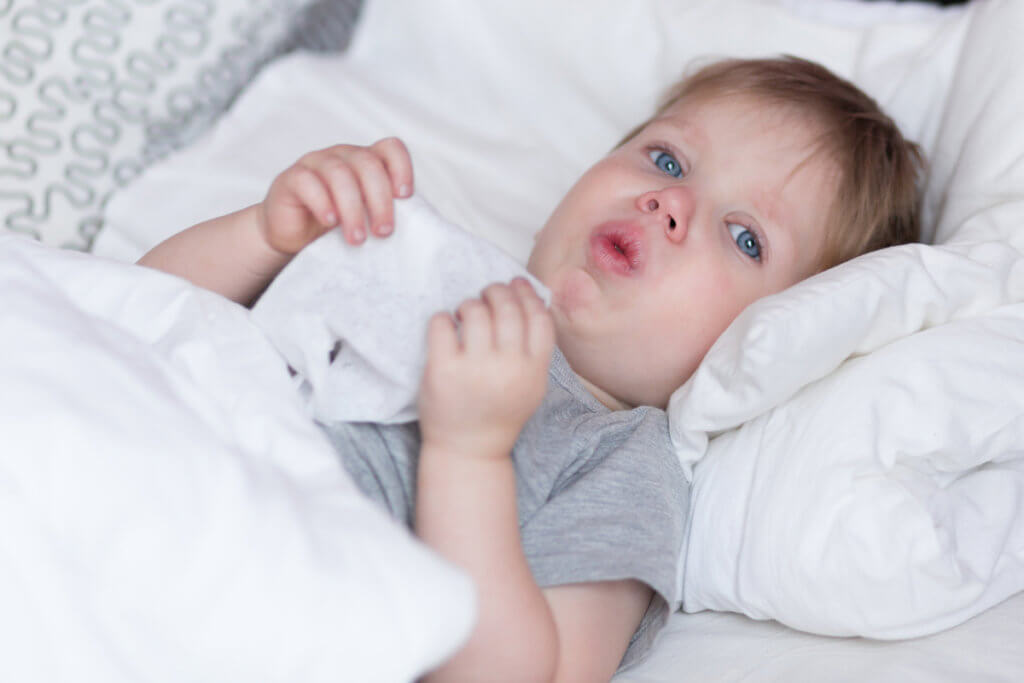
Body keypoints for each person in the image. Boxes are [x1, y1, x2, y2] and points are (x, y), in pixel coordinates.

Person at [138, 56, 923, 681]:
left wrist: (467, 452)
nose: (670, 203)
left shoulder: (622, 455)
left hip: (227, 594)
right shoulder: (425, 259)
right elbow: (142, 315)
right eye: (666, 157)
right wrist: (265, 236)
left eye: (745, 236)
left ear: (765, 338)